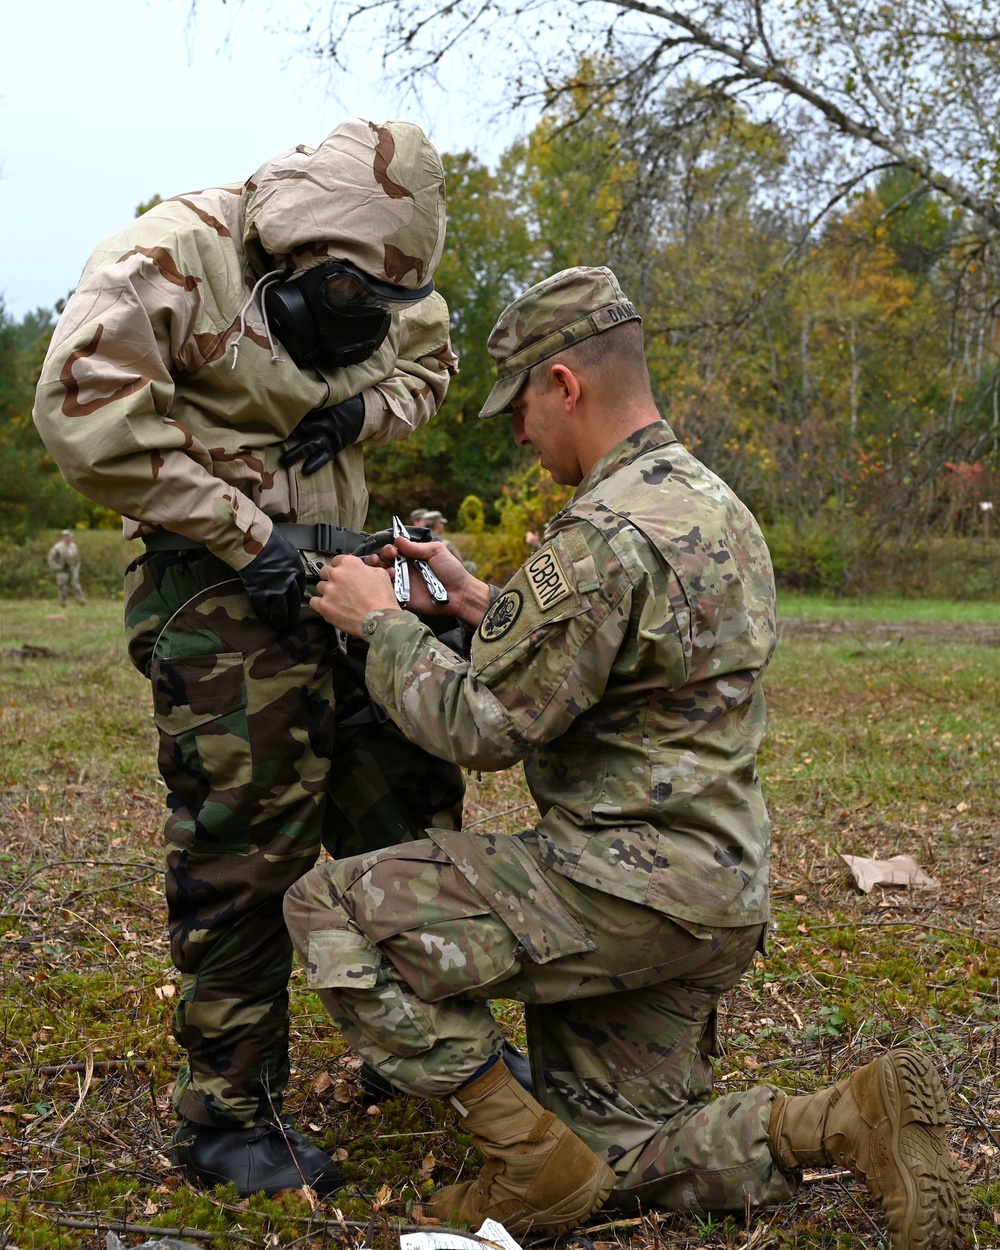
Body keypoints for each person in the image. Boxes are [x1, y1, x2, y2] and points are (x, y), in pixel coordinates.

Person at [284, 266, 970, 1246]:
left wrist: (379, 622)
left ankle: (520, 1156)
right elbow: (622, 665)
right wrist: (479, 602)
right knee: (616, 1154)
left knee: (325, 904)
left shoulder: (596, 536)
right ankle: (843, 1118)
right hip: (718, 888)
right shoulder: (709, 505)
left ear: (563, 383)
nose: (515, 435)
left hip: (616, 886)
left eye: (519, 406)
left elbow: (482, 729)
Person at [32, 118, 469, 1199]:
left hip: (351, 572)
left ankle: (415, 1047)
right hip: (218, 578)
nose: (370, 318)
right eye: (350, 305)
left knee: (405, 807)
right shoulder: (167, 260)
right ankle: (229, 1111)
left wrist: (366, 407)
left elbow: (434, 361)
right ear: (309, 259)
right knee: (250, 836)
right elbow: (82, 417)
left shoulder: (391, 272)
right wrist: (244, 531)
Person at [46, 529, 86, 606]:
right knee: (62, 586)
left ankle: (81, 600)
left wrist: (77, 568)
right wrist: (56, 567)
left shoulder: (74, 546)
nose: (67, 538)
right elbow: (50, 558)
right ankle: (63, 602)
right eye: (65, 536)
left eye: (69, 536)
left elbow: (78, 558)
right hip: (62, 569)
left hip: (72, 568)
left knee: (76, 584)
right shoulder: (57, 547)